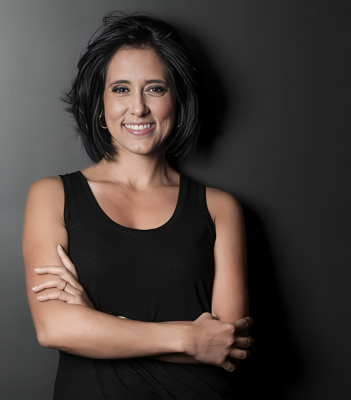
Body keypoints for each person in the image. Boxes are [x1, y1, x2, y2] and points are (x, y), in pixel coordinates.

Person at [23, 12, 253, 400]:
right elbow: (56, 328)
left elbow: (226, 344)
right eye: (121, 89)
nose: (138, 108)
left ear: (177, 100)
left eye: (155, 89)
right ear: (100, 104)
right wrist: (189, 338)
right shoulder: (52, 195)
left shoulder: (219, 207)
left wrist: (96, 322)